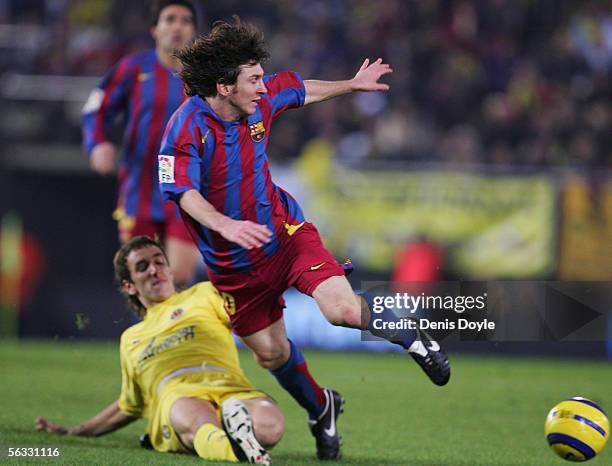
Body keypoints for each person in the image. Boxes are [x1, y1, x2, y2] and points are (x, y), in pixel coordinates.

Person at [159, 18, 451, 460]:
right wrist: (224, 224)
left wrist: (352, 84)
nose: (262, 86)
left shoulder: (261, 100)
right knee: (273, 356)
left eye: (261, 78)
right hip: (232, 265)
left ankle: (414, 338)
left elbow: (303, 89)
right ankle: (322, 408)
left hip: (285, 238)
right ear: (223, 86)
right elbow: (184, 193)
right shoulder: (185, 128)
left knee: (341, 310)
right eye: (253, 79)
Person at [35, 235, 282, 464]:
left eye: (159, 262)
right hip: (180, 396)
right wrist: (76, 431)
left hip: (230, 390)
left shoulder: (204, 294)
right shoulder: (132, 339)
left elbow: (247, 316)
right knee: (193, 415)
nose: (154, 270)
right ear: (130, 286)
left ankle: (234, 441)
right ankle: (243, 453)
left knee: (271, 425)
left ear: (170, 269)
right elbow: (129, 405)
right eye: (142, 267)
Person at [82, 0, 200, 286]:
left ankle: (168, 328)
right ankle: (151, 331)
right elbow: (96, 109)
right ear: (154, 29)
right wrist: (97, 144)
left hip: (187, 192)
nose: (177, 27)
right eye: (170, 19)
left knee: (180, 275)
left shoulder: (205, 77)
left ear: (194, 31)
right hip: (139, 192)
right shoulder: (133, 69)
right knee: (145, 275)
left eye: (185, 21)